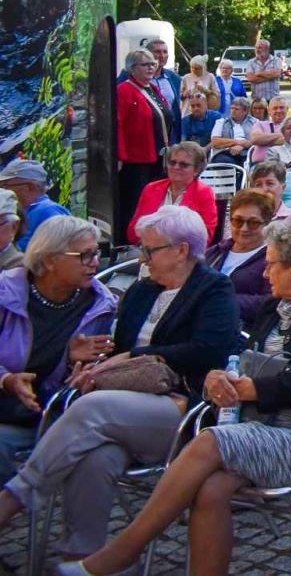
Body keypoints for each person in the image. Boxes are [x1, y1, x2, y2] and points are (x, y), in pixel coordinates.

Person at [76, 220, 291, 576]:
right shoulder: (272, 308)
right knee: (211, 490)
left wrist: (258, 389)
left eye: (271, 264)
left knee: (208, 442)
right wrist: (220, 376)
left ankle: (121, 553)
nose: (264, 274)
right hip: (253, 427)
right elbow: (243, 358)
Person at [0, 206, 238, 560]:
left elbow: (209, 349)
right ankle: (83, 557)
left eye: (150, 249)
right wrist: (90, 365)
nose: (142, 258)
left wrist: (140, 356)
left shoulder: (213, 289)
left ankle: (15, 497)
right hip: (124, 403)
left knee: (92, 408)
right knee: (96, 456)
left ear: (181, 250)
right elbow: (118, 348)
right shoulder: (141, 291)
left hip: (182, 408)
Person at [0, 216, 116, 479]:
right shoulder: (6, 293)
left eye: (96, 253)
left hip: (40, 415)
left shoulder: (98, 306)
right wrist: (6, 379)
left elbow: (87, 381)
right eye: (85, 256)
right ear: (50, 260)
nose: (95, 263)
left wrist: (72, 365)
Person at [116, 47, 171, 245]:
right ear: (132, 68)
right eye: (145, 64)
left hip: (157, 157)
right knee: (135, 203)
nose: (151, 67)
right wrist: (120, 156)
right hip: (136, 159)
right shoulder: (123, 90)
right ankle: (129, 242)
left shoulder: (152, 88)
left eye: (152, 64)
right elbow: (117, 124)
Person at [202, 188, 274, 323]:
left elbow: (270, 301)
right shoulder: (215, 252)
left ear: (267, 224)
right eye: (238, 221)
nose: (244, 228)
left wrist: (221, 300)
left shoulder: (271, 260)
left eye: (253, 223)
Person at [130, 140, 219, 243]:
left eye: (184, 165)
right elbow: (133, 231)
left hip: (183, 254)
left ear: (196, 170)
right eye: (172, 163)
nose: (176, 167)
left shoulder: (204, 193)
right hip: (148, 250)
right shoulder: (151, 189)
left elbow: (205, 237)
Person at [245, 160, 291, 226]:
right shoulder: (244, 218)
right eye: (258, 185)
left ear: (283, 187)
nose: (264, 189)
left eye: (270, 183)